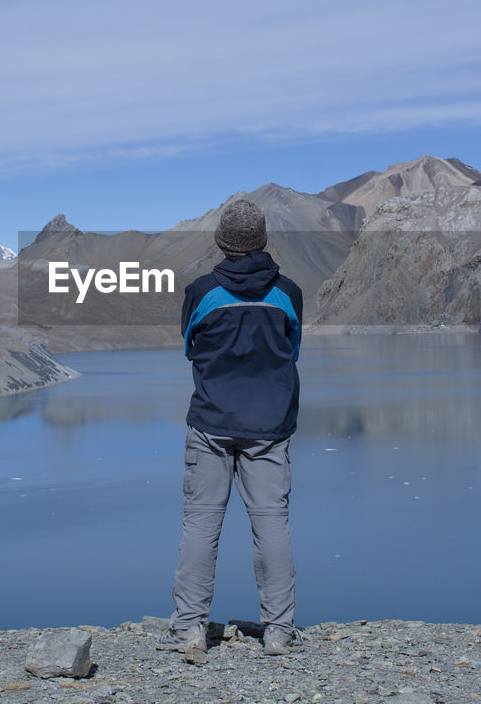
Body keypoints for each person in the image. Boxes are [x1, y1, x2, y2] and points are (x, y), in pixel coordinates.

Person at [157, 199, 305, 657]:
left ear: (221, 242)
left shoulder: (202, 292)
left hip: (211, 423)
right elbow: (292, 349)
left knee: (201, 523)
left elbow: (190, 347)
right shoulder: (289, 293)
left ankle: (189, 629)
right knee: (272, 524)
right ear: (263, 241)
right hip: (269, 427)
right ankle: (279, 631)